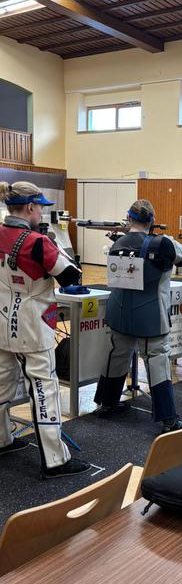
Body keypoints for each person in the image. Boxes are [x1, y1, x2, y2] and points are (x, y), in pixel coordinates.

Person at [0, 181, 90, 478]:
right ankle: (55, 461)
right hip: (34, 327)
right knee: (43, 391)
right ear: (30, 207)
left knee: (1, 386)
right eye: (40, 207)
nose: (41, 213)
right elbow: (71, 276)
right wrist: (51, 242)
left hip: (2, 323)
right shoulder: (37, 242)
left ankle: (2, 439)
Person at [94, 199, 182, 433]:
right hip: (150, 314)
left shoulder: (118, 242)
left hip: (119, 311)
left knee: (117, 355)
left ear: (129, 218)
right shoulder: (164, 243)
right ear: (152, 220)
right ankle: (168, 418)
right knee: (157, 360)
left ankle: (106, 403)